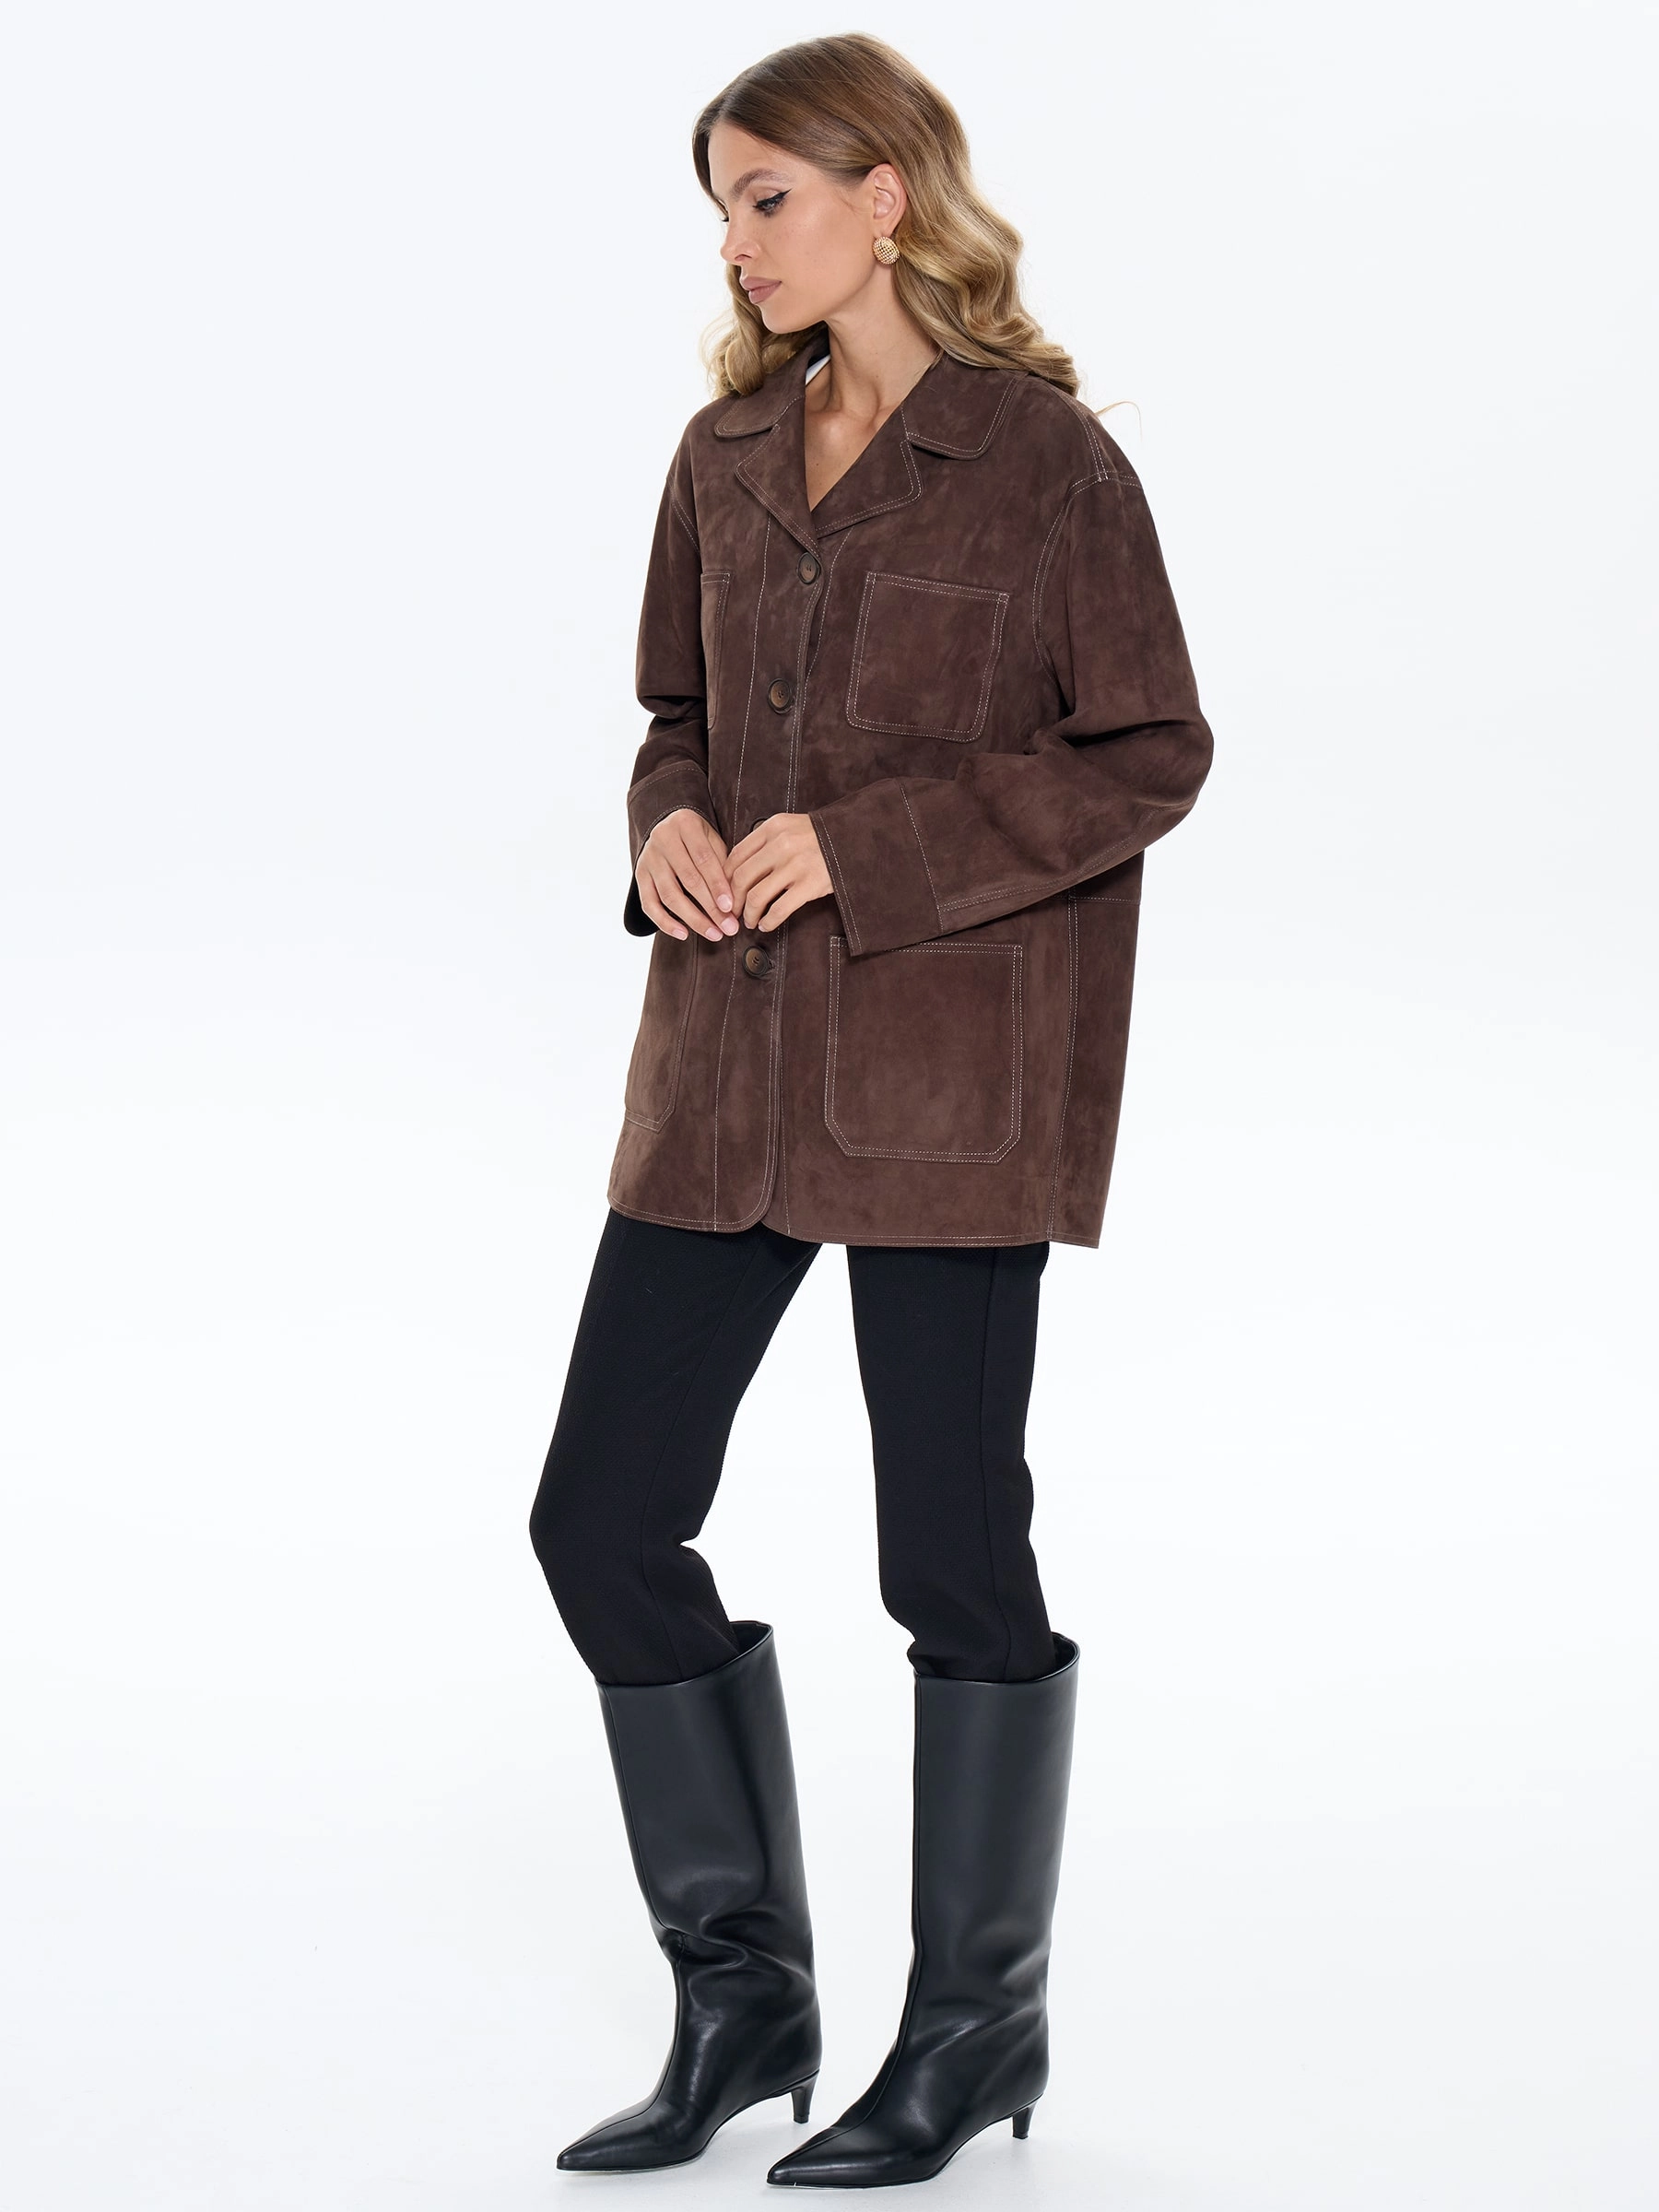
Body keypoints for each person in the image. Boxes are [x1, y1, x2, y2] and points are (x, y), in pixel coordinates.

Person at [528, 30, 1212, 2190]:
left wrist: (866, 846)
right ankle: (743, 2001)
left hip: (945, 1082)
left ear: (885, 195)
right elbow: (676, 713)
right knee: (599, 1520)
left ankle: (975, 2031)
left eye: (769, 197)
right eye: (721, 207)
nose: (737, 244)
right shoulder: (724, 454)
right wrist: (665, 820)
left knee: (951, 1553)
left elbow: (1150, 754)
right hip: (722, 1069)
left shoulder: (1047, 466)